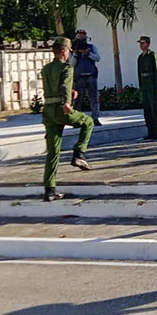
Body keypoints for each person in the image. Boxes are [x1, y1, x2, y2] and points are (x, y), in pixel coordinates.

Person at [41, 37, 93, 202]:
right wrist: (67, 103)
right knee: (88, 122)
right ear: (64, 51)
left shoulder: (46, 69)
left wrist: (69, 94)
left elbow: (53, 89)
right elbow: (64, 85)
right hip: (62, 109)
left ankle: (50, 190)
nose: (69, 55)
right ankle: (79, 153)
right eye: (69, 51)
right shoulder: (67, 68)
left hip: (48, 112)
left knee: (53, 153)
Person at [69, 29, 102, 125]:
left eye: (83, 39)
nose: (81, 41)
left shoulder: (92, 47)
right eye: (79, 39)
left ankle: (95, 118)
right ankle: (77, 120)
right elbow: (71, 64)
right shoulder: (72, 49)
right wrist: (76, 53)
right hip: (79, 77)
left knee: (94, 99)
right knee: (77, 100)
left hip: (91, 76)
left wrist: (87, 53)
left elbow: (97, 58)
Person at [137, 35, 157, 141]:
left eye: (143, 43)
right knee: (147, 110)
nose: (141, 45)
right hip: (145, 86)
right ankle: (150, 131)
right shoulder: (140, 58)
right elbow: (139, 73)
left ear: (148, 44)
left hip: (152, 85)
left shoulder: (152, 56)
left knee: (154, 109)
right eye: (140, 43)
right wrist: (141, 87)